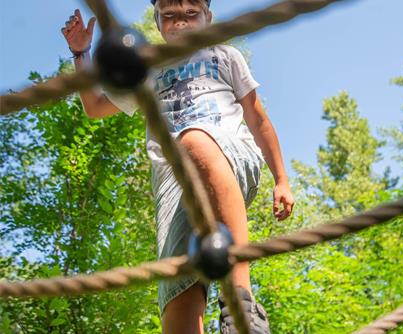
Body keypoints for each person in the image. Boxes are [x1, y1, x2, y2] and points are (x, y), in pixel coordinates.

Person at [61, 1, 294, 333]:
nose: (180, 22)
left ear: (208, 18)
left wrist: (281, 179)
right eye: (170, 15)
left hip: (228, 156)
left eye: (190, 14)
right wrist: (80, 55)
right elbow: (95, 107)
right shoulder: (148, 69)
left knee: (194, 141)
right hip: (174, 186)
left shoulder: (223, 55)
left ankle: (240, 304)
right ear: (157, 21)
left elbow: (259, 120)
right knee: (177, 310)